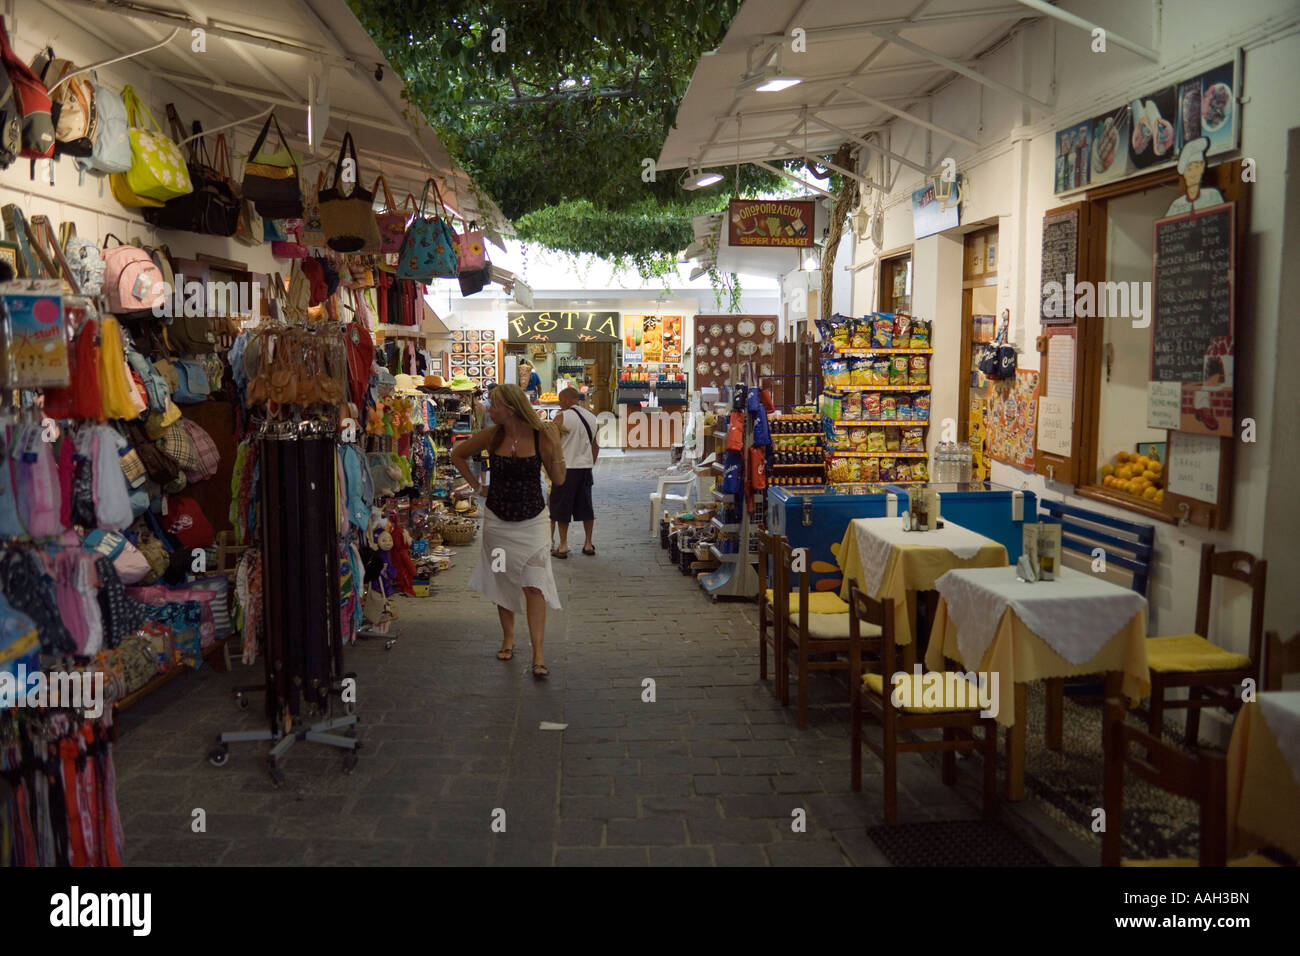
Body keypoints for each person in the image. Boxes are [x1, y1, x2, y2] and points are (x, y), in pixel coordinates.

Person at [452, 384, 566, 678]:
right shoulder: (494, 435)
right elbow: (457, 454)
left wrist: (557, 449)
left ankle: (538, 652)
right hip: (498, 521)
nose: (490, 409)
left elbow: (559, 480)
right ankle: (508, 637)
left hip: (533, 521)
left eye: (495, 405)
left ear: (511, 408)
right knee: (502, 580)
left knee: (534, 584)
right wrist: (478, 488)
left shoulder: (540, 435)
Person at [548, 387, 600, 557]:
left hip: (565, 469)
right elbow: (595, 445)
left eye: (560, 400)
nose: (558, 403)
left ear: (569, 400)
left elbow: (552, 443)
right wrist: (589, 463)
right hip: (585, 468)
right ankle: (588, 544)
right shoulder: (592, 417)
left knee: (561, 508)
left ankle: (563, 546)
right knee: (586, 507)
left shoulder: (561, 417)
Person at [1166, 136, 1225, 215]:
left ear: (1202, 168)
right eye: (1189, 169)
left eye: (1196, 167)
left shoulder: (1212, 196)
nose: (1193, 174)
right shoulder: (1176, 205)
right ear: (1184, 173)